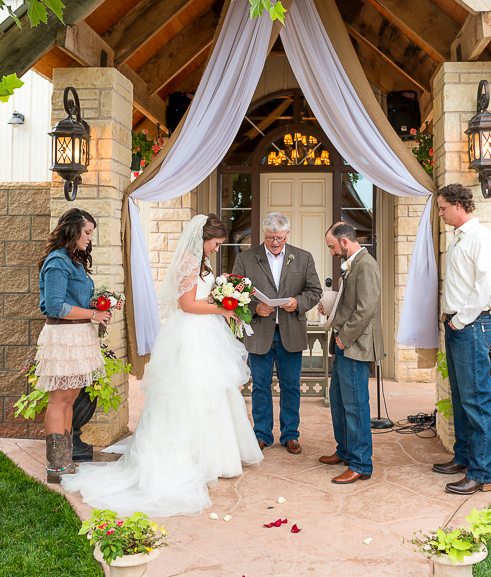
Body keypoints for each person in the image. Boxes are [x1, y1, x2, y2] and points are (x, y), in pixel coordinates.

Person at [63, 214, 263, 516]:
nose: (216, 249)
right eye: (215, 243)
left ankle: (214, 457)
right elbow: (187, 304)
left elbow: (201, 296)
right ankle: (190, 458)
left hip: (206, 333)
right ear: (203, 238)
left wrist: (226, 299)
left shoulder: (202, 262)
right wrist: (221, 307)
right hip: (190, 335)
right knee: (189, 393)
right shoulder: (187, 259)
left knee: (212, 394)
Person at [233, 212, 322, 455]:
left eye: (280, 238)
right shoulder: (246, 258)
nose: (275, 243)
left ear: (287, 235)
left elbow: (315, 291)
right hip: (259, 332)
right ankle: (261, 434)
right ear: (264, 234)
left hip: (291, 330)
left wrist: (298, 302)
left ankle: (290, 435)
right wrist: (254, 307)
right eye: (271, 238)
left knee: (291, 386)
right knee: (260, 386)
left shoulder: (303, 258)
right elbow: (233, 294)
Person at [433, 183, 491, 495]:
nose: (441, 213)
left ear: (459, 205)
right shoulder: (458, 237)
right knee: (460, 396)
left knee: (476, 400)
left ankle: (482, 474)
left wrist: (459, 320)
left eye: (444, 208)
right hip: (457, 326)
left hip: (471, 326)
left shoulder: (481, 237)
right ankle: (462, 457)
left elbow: (485, 286)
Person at [37, 209, 110, 484]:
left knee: (69, 399)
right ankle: (56, 467)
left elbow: (72, 301)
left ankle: (65, 461)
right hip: (63, 338)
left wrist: (96, 307)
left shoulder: (74, 261)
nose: (90, 238)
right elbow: (55, 306)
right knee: (59, 400)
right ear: (72, 231)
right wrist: (93, 314)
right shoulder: (58, 261)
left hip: (77, 336)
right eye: (87, 232)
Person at [318, 222, 383, 484]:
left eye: (333, 247)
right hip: (345, 344)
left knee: (355, 405)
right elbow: (352, 302)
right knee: (339, 401)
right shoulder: (352, 264)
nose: (332, 253)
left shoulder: (366, 265)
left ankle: (360, 464)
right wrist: (331, 306)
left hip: (356, 345)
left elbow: (366, 308)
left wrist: (344, 338)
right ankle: (345, 451)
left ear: (345, 242)